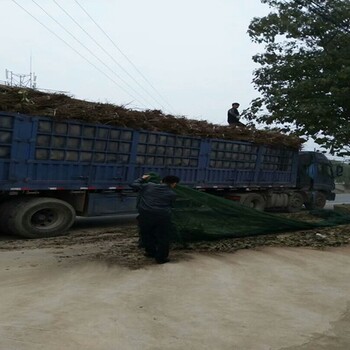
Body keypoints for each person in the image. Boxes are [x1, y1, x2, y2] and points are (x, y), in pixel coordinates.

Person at [130, 174, 180, 264]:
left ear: (162, 181)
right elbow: (171, 206)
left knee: (147, 234)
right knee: (163, 237)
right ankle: (161, 258)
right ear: (174, 184)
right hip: (162, 217)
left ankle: (150, 252)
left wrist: (142, 178)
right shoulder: (172, 194)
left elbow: (133, 184)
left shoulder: (149, 185)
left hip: (145, 215)